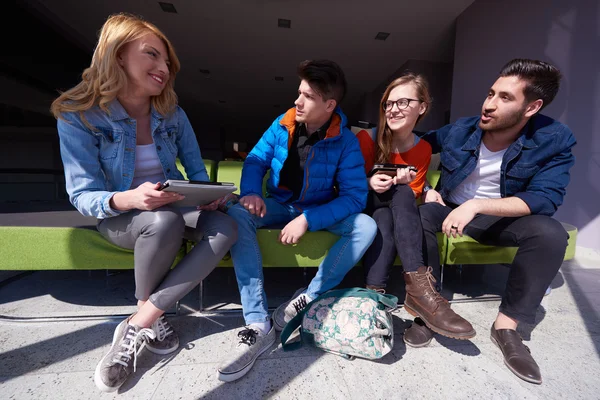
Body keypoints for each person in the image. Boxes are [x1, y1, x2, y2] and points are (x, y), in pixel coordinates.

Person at [51, 13, 237, 392]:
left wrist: (209, 197)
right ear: (118, 55)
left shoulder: (172, 113)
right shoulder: (79, 116)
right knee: (162, 221)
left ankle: (141, 320)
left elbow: (197, 172)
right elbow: (83, 195)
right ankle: (148, 317)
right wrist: (131, 197)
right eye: (152, 55)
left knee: (225, 228)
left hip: (174, 206)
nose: (163, 68)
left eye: (167, 62)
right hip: (122, 214)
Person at [416, 58, 576, 384]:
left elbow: (546, 199)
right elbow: (415, 144)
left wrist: (476, 205)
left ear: (532, 107)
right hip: (449, 208)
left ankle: (506, 328)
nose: (488, 104)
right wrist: (426, 188)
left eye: (505, 98)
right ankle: (429, 309)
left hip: (498, 219)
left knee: (551, 233)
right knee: (418, 214)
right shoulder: (462, 129)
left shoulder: (554, 139)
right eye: (491, 93)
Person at [217, 59, 377, 382]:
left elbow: (355, 197)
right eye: (298, 92)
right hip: (279, 204)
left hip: (317, 208)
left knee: (366, 226)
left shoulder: (345, 142)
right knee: (237, 213)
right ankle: (258, 321)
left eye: (307, 96)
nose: (297, 101)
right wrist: (250, 192)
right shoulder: (282, 123)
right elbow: (256, 159)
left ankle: (310, 296)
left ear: (329, 105)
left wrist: (308, 219)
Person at [357, 73, 476, 346]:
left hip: (390, 209)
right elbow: (344, 185)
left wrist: (424, 189)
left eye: (403, 102)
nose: (393, 109)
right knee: (397, 194)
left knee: (390, 211)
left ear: (422, 107)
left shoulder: (423, 149)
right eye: (389, 103)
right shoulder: (367, 139)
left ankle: (374, 295)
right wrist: (369, 182)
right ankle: (421, 289)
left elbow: (411, 195)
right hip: (363, 202)